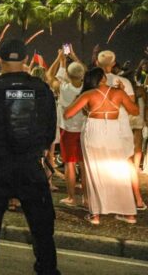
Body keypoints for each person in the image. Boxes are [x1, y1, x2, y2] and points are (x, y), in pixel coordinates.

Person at [0, 39, 59, 275]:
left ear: (0, 60)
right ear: (26, 59)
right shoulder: (41, 90)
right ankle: (47, 269)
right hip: (30, 165)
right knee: (42, 228)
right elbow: (50, 131)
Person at [64, 67, 140, 224]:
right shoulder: (118, 93)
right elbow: (134, 111)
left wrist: (79, 102)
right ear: (103, 78)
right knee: (119, 171)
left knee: (94, 172)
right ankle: (129, 213)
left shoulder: (88, 94)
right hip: (113, 131)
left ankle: (96, 215)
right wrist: (123, 93)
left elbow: (68, 114)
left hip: (94, 131)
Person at [97, 51, 146, 210]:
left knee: (103, 164)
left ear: (97, 63)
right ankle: (137, 199)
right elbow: (132, 107)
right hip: (122, 127)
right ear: (113, 64)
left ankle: (107, 200)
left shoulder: (93, 81)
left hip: (102, 126)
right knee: (128, 163)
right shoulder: (123, 81)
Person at [46, 50, 88, 207]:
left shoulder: (64, 88)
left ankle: (71, 197)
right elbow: (86, 72)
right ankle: (86, 198)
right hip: (84, 130)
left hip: (68, 130)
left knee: (70, 164)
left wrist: (59, 58)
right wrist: (75, 57)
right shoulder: (87, 88)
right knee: (83, 165)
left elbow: (49, 76)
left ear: (68, 76)